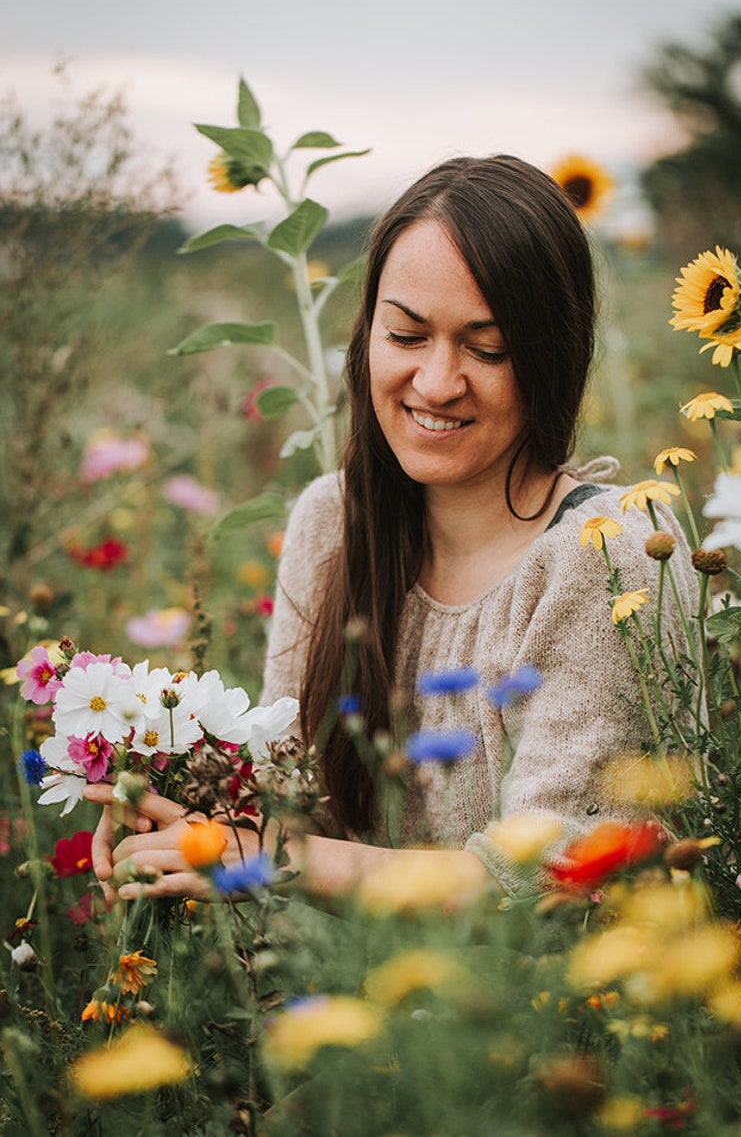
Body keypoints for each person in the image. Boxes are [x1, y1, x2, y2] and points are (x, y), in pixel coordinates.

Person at [87, 155, 697, 902]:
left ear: (551, 357)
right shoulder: (330, 523)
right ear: (365, 335)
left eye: (488, 348)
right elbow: (292, 800)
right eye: (406, 336)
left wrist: (275, 856)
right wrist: (171, 816)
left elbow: (558, 882)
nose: (438, 383)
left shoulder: (606, 555)